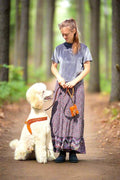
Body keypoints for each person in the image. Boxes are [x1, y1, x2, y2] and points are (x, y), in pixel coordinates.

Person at [50, 18, 92, 163]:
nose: (64, 37)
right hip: (61, 88)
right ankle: (61, 151)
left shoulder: (84, 49)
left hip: (77, 89)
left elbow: (87, 68)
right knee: (59, 118)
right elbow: (53, 67)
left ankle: (73, 151)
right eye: (62, 34)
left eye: (66, 34)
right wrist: (60, 78)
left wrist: (74, 81)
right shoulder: (59, 49)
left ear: (74, 31)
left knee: (75, 118)